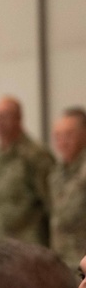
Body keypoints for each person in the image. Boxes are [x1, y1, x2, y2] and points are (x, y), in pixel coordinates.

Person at [0, 95, 54, 246]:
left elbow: (51, 204)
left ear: (19, 119)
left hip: (26, 245)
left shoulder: (35, 155)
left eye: (5, 117)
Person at [49, 107, 86, 268]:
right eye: (58, 136)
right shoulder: (56, 173)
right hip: (62, 262)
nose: (62, 141)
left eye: (69, 135)